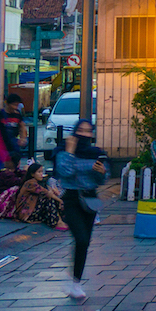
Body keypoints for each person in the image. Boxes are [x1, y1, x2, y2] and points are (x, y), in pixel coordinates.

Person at [56, 119, 108, 301]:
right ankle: (74, 281)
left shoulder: (96, 153)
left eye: (88, 131)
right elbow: (64, 172)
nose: (85, 134)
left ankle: (76, 282)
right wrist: (70, 152)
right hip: (71, 199)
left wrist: (101, 172)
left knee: (84, 243)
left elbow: (102, 179)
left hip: (90, 199)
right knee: (80, 237)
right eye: (81, 130)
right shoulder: (63, 151)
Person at [13, 163, 64, 228]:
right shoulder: (30, 183)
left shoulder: (38, 182)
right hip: (26, 214)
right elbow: (47, 193)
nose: (41, 174)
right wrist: (60, 201)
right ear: (32, 174)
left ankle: (59, 220)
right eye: (39, 172)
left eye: (42, 172)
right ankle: (57, 222)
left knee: (51, 199)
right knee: (48, 199)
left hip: (33, 211)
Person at [0, 94, 28, 161]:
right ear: (7, 104)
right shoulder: (0, 114)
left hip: (13, 145)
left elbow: (22, 127)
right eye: (14, 105)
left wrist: (23, 138)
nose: (15, 107)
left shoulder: (17, 114)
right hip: (2, 145)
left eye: (17, 105)